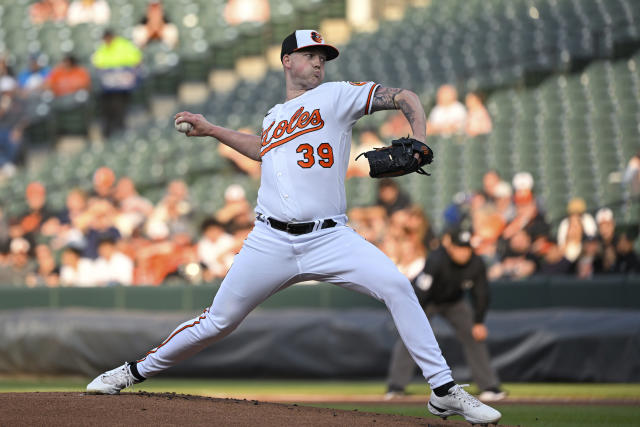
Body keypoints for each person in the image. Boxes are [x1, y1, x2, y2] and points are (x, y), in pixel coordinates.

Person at [86, 29, 500, 425]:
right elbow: (262, 149)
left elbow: (405, 96)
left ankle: (443, 389)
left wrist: (421, 136)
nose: (319, 63)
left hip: (330, 236)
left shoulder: (337, 96)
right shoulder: (276, 115)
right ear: (287, 61)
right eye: (310, 56)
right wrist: (213, 130)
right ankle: (131, 372)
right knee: (218, 321)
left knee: (397, 286)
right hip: (270, 239)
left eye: (323, 57)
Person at [386, 227, 506, 403]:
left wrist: (479, 321)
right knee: (410, 336)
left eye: (466, 248)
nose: (463, 253)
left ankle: (489, 386)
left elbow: (481, 293)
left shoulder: (476, 263)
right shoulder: (436, 259)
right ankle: (396, 387)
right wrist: (412, 318)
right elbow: (421, 291)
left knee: (474, 335)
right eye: (459, 248)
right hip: (427, 302)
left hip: (454, 302)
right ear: (451, 247)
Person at [91, 30, 142, 137]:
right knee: (107, 109)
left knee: (119, 108)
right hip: (107, 88)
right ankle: (108, 132)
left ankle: (120, 131)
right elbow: (97, 63)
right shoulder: (103, 48)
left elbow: (136, 60)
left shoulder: (124, 45)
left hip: (122, 87)